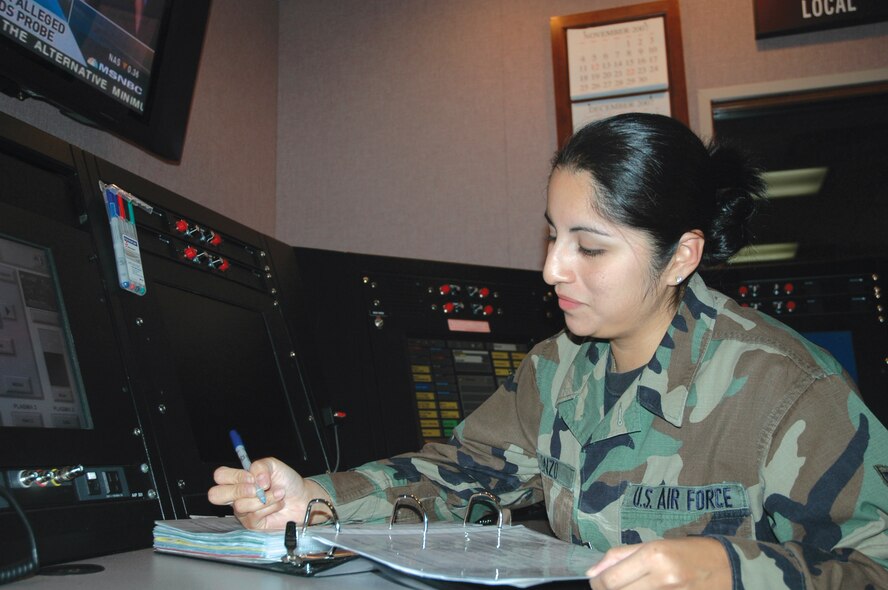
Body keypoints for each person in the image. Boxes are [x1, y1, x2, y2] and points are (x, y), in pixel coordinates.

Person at [209, 113, 888, 589]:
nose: (553, 269)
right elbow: (456, 477)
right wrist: (315, 500)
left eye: (589, 247)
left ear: (682, 255)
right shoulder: (557, 369)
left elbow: (875, 567)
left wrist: (733, 571)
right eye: (553, 236)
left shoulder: (790, 390)